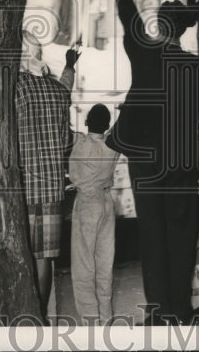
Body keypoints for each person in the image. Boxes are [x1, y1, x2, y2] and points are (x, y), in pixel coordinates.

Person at [104, 0, 199, 326]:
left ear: (158, 26)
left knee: (152, 233)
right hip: (180, 159)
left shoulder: (143, 50)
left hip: (144, 159)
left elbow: (129, 17)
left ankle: (158, 312)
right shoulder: (194, 65)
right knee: (181, 230)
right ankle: (181, 307)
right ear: (184, 30)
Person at [15, 32, 78, 316]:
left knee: (22, 253)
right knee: (45, 258)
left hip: (22, 188)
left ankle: (25, 314)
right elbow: (66, 141)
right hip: (52, 187)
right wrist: (70, 66)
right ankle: (39, 313)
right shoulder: (56, 91)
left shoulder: (15, 88)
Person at [68, 103, 120, 325]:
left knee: (83, 266)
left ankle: (91, 323)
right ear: (107, 125)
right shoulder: (112, 146)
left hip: (87, 205)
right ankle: (106, 319)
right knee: (104, 264)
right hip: (107, 203)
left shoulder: (79, 142)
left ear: (87, 122)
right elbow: (117, 130)